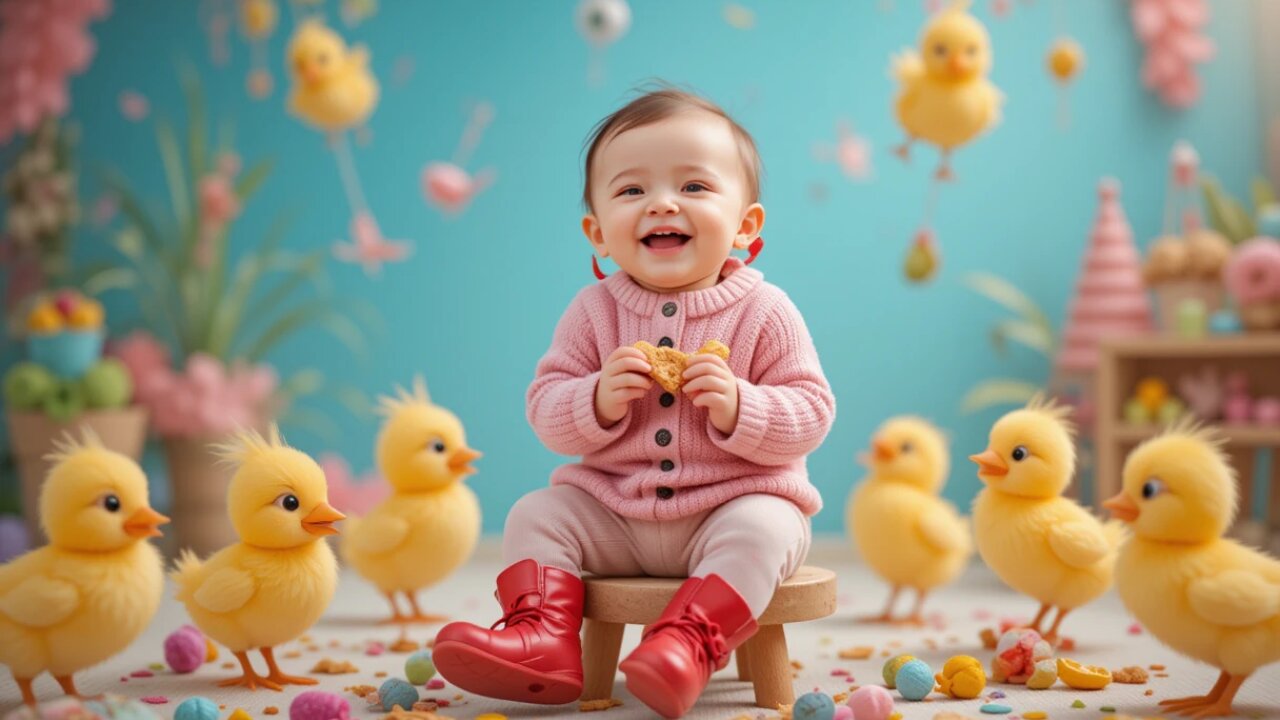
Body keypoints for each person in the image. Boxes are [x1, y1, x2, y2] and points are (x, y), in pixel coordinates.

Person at [432, 87, 836, 719]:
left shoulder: (766, 311)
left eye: (696, 187)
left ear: (746, 225)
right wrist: (593, 399)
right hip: (614, 513)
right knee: (535, 513)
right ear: (597, 232)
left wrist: (740, 408)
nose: (663, 204)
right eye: (631, 191)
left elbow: (812, 411)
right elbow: (544, 409)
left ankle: (688, 645)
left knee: (766, 528)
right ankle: (540, 637)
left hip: (729, 509)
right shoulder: (594, 312)